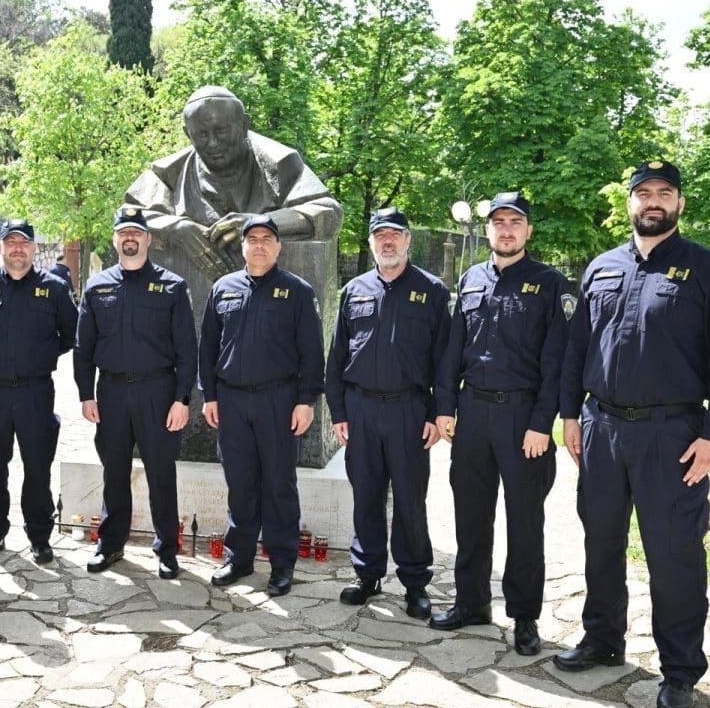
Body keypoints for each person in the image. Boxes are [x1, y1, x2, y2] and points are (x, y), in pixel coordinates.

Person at [558, 161, 710, 708]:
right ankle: (602, 639)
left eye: (665, 192)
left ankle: (680, 670)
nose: (653, 201)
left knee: (674, 554)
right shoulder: (602, 267)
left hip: (673, 436)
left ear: (679, 203)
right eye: (643, 193)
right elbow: (577, 348)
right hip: (601, 429)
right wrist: (570, 415)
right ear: (630, 202)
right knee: (601, 542)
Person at [429, 193, 571, 654]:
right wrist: (445, 407)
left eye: (515, 222)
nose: (506, 230)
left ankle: (524, 617)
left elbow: (557, 362)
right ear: (488, 229)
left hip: (522, 418)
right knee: (470, 516)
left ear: (528, 230)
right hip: (473, 414)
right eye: (498, 222)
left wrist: (541, 423)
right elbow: (453, 348)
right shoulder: (471, 279)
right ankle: (471, 603)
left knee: (525, 522)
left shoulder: (551, 284)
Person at [325, 207, 449, 620]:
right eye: (381, 236)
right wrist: (338, 411)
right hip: (360, 410)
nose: (388, 241)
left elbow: (444, 361)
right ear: (371, 243)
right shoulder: (354, 291)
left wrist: (438, 413)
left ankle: (415, 583)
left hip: (409, 411)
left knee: (410, 500)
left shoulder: (431, 291)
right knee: (366, 495)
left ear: (408, 240)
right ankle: (367, 574)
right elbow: (337, 356)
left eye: (395, 234)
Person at [199, 213, 324, 596]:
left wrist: (306, 401)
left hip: (278, 401)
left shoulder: (297, 291)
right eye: (252, 239)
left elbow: (312, 352)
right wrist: (210, 395)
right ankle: (239, 558)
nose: (259, 245)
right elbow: (208, 347)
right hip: (232, 401)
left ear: (278, 247)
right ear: (242, 247)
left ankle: (282, 563)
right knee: (240, 483)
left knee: (279, 485)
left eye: (267, 239)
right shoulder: (223, 289)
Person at [74, 207, 198, 578]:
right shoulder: (97, 286)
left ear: (148, 239)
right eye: (124, 232)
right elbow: (83, 347)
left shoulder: (172, 286)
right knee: (114, 472)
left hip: (157, 392)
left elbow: (187, 349)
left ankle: (167, 550)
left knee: (161, 473)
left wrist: (182, 399)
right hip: (110, 392)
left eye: (136, 232)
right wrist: (86, 394)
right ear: (115, 239)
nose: (130, 237)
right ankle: (111, 544)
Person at [125, 86, 342, 277]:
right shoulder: (168, 173)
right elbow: (128, 215)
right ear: (188, 134)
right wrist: (175, 228)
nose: (212, 143)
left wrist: (258, 224)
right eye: (201, 134)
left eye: (221, 131)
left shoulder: (279, 163)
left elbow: (328, 212)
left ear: (244, 124)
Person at [0, 219, 77, 565]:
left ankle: (39, 537)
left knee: (38, 468)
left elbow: (71, 334)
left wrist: (41, 355)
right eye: (11, 242)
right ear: (0, 247)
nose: (17, 248)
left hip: (35, 391)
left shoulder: (54, 288)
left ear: (33, 248)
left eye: (24, 243)